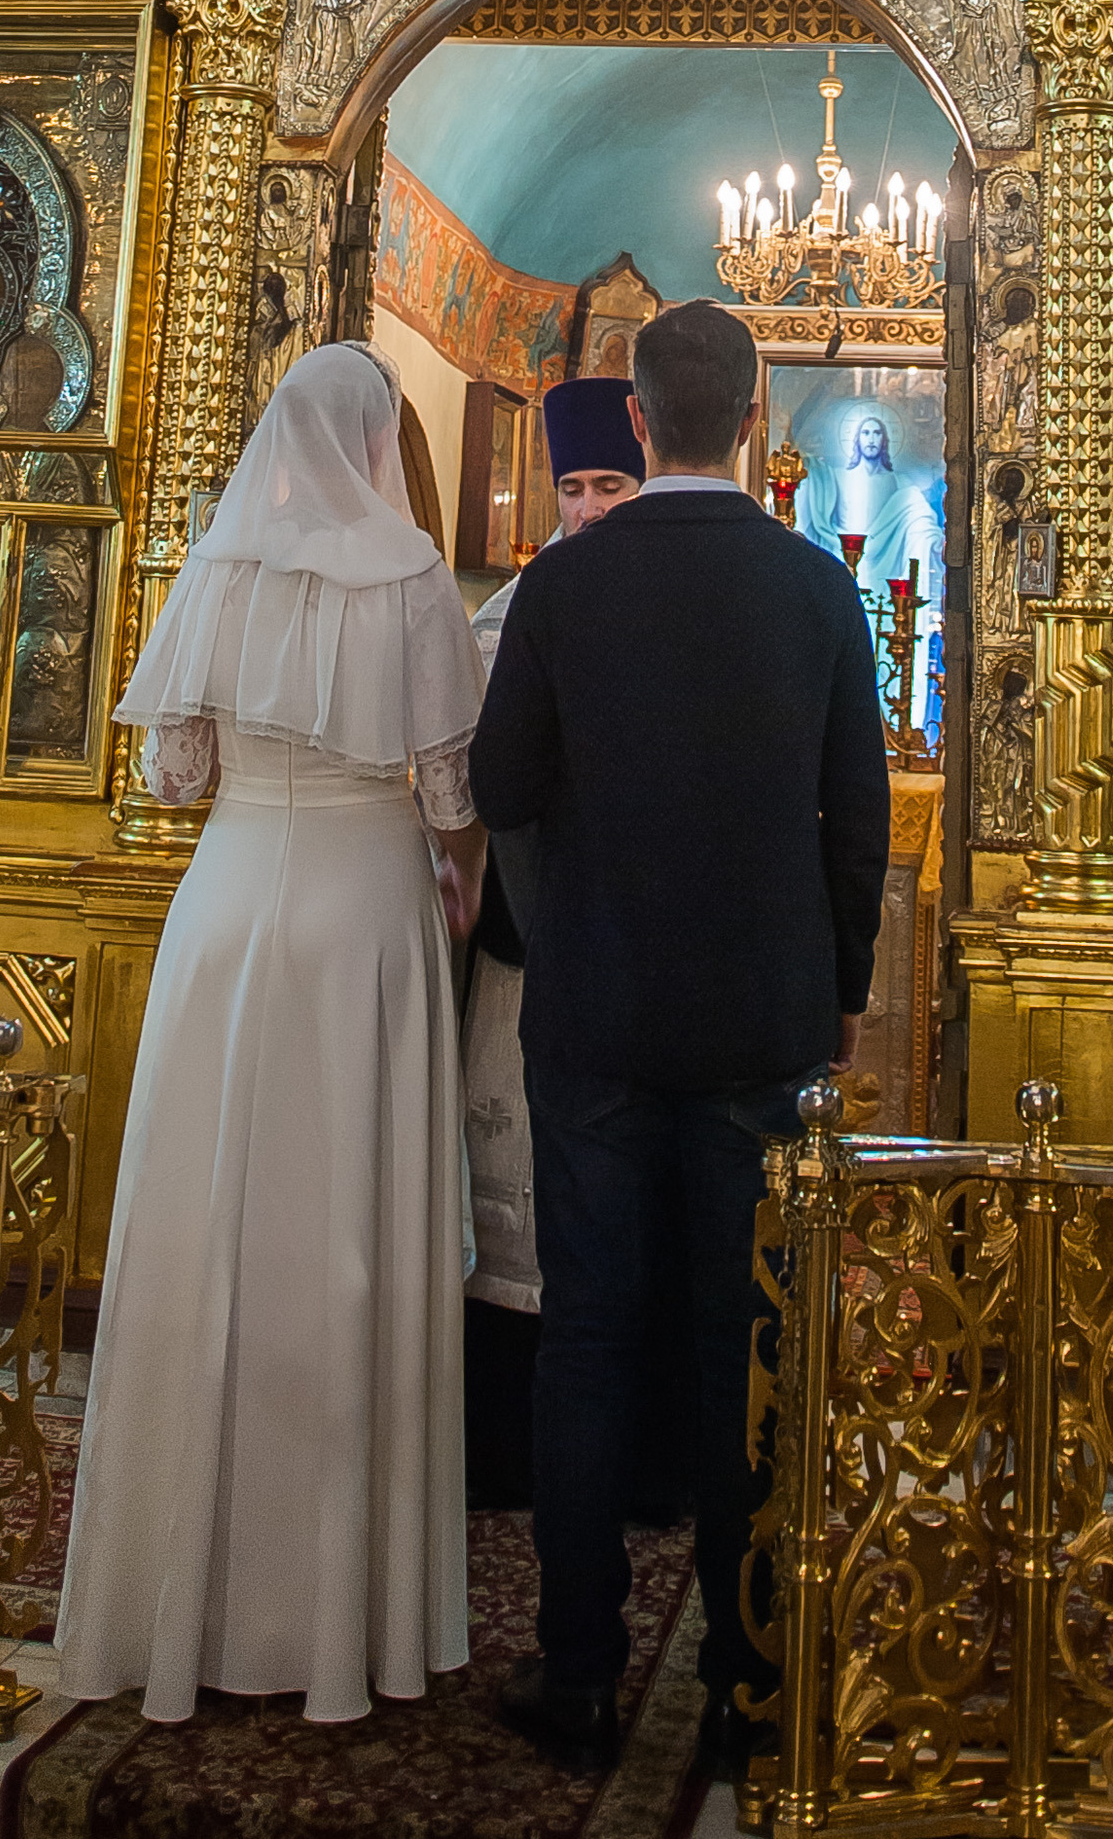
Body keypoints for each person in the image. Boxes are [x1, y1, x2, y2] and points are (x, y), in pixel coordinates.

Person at [470, 301, 889, 1783]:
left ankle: (581, 1671)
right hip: (761, 1024)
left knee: (588, 1336)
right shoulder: (815, 588)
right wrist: (840, 990)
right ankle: (745, 1679)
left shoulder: (565, 584)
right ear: (754, 419)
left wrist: (577, 894)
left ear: (640, 424)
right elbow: (858, 815)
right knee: (744, 1344)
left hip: (593, 1013)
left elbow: (501, 783)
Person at [56, 345, 487, 1723]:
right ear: (376, 442)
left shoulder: (217, 567)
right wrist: (456, 864)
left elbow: (172, 776)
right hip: (364, 918)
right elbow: (448, 794)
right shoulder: (412, 576)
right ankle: (346, 1611)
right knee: (349, 1224)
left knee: (209, 1220)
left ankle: (173, 1590)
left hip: (230, 907)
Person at [462, 377, 645, 1510]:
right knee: (512, 1184)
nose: (586, 508)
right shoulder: (504, 615)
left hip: (632, 953)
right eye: (571, 487)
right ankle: (505, 1442)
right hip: (524, 949)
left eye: (608, 483)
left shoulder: (674, 600)